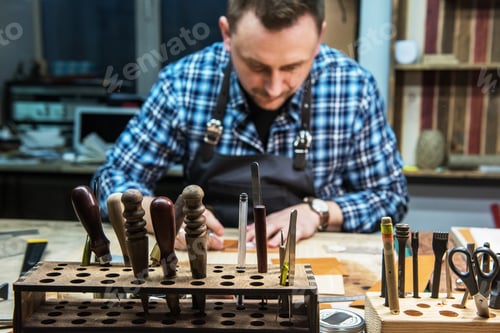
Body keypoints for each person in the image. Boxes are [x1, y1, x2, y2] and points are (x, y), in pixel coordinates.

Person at [93, 0, 408, 250]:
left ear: (318, 39)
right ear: (227, 35)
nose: (273, 87)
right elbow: (110, 179)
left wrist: (319, 212)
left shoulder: (352, 88)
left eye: (292, 67)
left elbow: (390, 197)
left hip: (315, 263)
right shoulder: (184, 83)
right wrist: (155, 214)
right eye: (256, 66)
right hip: (210, 260)